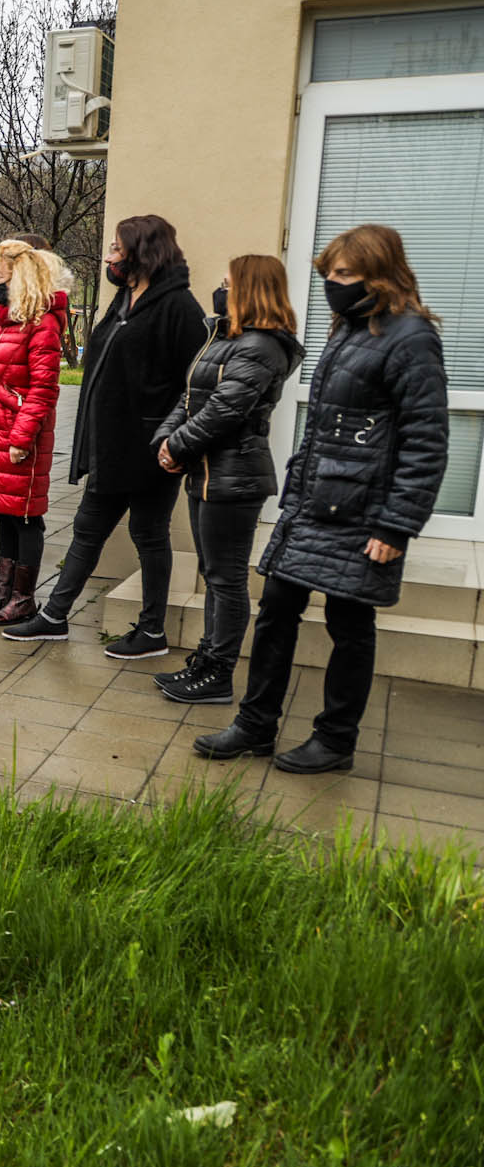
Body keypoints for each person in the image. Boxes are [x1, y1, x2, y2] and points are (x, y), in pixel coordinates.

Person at [196, 225, 449, 774]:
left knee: (349, 625)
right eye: (328, 273)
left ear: (380, 274)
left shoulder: (412, 338)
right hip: (314, 506)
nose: (332, 283)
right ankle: (255, 725)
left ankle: (335, 740)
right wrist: (297, 495)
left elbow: (425, 442)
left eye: (344, 274)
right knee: (276, 610)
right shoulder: (349, 329)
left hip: (364, 515)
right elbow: (323, 429)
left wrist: (396, 526)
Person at [2, 215, 208, 653]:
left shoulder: (179, 306)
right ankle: (54, 617)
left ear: (142, 252)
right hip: (111, 448)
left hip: (151, 451)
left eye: (116, 248)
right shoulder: (124, 299)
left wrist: (175, 441)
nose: (109, 257)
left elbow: (194, 385)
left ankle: (151, 631)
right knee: (87, 529)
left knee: (149, 535)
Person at [149, 256, 303, 705]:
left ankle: (218, 672)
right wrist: (166, 440)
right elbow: (191, 397)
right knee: (213, 574)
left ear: (252, 290)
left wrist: (178, 446)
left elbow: (225, 410)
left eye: (227, 284)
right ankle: (206, 661)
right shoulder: (227, 338)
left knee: (226, 578)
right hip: (207, 472)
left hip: (236, 478)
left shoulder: (262, 346)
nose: (220, 292)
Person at [0, 240, 65, 626]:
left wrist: (22, 437)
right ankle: (3, 590)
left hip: (18, 435)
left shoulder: (43, 324)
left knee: (24, 516)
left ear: (20, 279)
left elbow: (43, 389)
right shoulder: (1, 321)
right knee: (3, 513)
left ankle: (23, 598)